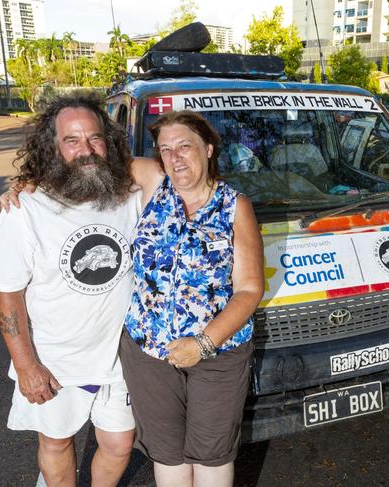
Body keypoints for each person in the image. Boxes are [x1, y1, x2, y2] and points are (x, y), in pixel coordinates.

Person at [0, 91, 138, 486]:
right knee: (56, 442)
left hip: (121, 356)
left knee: (120, 443)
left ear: (110, 141)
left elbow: (174, 165)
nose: (86, 150)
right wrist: (26, 365)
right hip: (56, 359)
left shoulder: (131, 194)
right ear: (53, 148)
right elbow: (7, 292)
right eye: (71, 140)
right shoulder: (27, 210)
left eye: (95, 138)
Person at [119, 110, 264, 487]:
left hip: (218, 353)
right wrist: (29, 180)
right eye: (166, 149)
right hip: (150, 352)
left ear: (209, 148)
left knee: (212, 457)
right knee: (167, 455)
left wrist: (203, 343)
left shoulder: (236, 207)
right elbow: (84, 162)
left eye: (185, 146)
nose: (175, 157)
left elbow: (250, 289)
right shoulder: (154, 184)